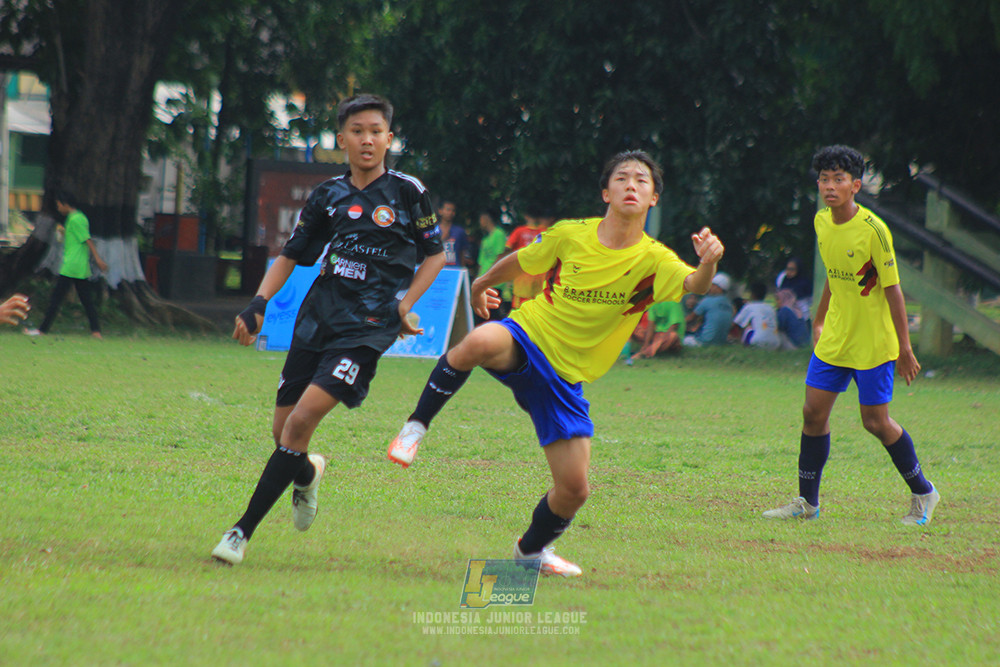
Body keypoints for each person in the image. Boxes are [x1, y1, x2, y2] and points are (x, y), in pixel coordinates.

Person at [387, 150, 724, 576]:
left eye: (642, 180)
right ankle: (415, 427)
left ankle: (530, 553)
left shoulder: (654, 259)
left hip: (565, 378)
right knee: (479, 341)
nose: (632, 185)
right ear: (606, 192)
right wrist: (482, 283)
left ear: (653, 198)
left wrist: (708, 262)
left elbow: (695, 284)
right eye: (622, 177)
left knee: (574, 490)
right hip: (531, 336)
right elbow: (524, 260)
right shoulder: (570, 234)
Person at [210, 94, 446, 565]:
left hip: (368, 328)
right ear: (342, 139)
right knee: (284, 433)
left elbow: (435, 255)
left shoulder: (408, 192)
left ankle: (240, 532)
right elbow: (291, 255)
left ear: (389, 139)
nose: (367, 140)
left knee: (300, 423)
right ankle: (307, 473)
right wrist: (258, 303)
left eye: (376, 131)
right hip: (317, 319)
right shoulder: (327, 196)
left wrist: (404, 304)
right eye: (357, 131)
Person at [764, 145, 939, 525]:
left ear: (855, 185)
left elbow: (893, 290)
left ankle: (924, 492)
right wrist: (819, 320)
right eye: (824, 179)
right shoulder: (821, 222)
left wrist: (905, 348)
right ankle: (807, 503)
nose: (829, 186)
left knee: (875, 422)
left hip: (873, 342)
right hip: (835, 337)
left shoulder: (874, 231)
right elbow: (834, 273)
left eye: (838, 179)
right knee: (812, 413)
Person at [24, 192, 108, 338]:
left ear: (65, 204)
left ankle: (42, 330)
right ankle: (96, 331)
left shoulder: (76, 219)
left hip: (72, 266)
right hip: (78, 266)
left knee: (56, 299)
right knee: (86, 300)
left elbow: (87, 239)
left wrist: (98, 259)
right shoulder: (75, 218)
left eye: (59, 205)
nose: (58, 208)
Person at [504, 207, 552, 308]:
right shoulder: (545, 233)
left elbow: (507, 248)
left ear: (526, 216)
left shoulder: (519, 231)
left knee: (519, 312)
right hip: (539, 284)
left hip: (521, 283)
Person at [476, 210, 509, 321]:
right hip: (483, 279)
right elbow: (481, 262)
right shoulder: (485, 239)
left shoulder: (498, 234)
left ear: (487, 218)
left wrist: (490, 275)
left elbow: (500, 256)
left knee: (493, 312)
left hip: (494, 280)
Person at [683, 272, 733, 346]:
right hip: (721, 342)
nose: (710, 288)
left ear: (719, 288)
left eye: (712, 285)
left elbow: (691, 318)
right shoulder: (729, 304)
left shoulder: (708, 300)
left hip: (705, 342)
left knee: (682, 339)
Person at [733, 282, 780, 348]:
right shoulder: (771, 308)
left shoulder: (749, 306)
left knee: (747, 329)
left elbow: (736, 324)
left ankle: (742, 345)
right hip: (775, 343)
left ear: (752, 294)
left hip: (757, 342)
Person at [437, 199, 471, 268]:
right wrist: (442, 238)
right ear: (440, 211)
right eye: (448, 210)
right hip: (438, 270)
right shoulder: (433, 231)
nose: (450, 213)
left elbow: (463, 252)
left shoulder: (459, 231)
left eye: (453, 211)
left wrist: (462, 269)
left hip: (455, 270)